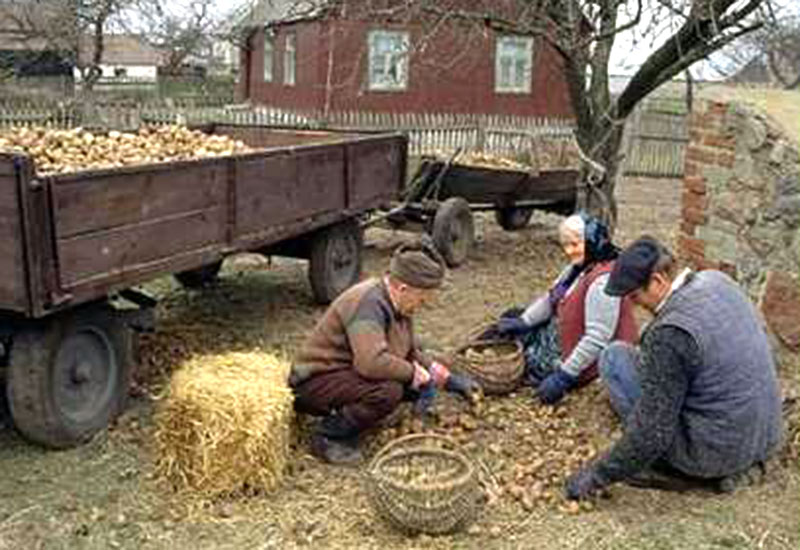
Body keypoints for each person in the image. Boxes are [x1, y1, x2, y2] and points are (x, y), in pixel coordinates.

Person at [565, 236, 783, 499]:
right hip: (763, 436)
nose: (635, 306)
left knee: (614, 358)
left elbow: (652, 432)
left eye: (635, 296)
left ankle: (683, 473)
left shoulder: (670, 335)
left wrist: (596, 476)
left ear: (657, 281)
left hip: (714, 454)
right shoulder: (717, 280)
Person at [289, 237, 480, 464]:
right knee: (389, 391)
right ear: (403, 288)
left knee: (407, 385)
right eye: (421, 300)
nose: (422, 306)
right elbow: (370, 363)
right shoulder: (368, 303)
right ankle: (327, 436)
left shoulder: (398, 304)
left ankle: (353, 417)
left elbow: (409, 352)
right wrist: (412, 373)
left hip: (345, 373)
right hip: (314, 381)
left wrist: (448, 379)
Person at [491, 212, 638, 404]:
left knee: (529, 362)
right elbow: (550, 299)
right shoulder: (577, 268)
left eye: (575, 244)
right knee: (512, 318)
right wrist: (523, 321)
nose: (569, 251)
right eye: (565, 245)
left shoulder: (603, 282)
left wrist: (564, 376)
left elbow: (596, 338)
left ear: (592, 242)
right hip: (565, 333)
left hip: (586, 356)